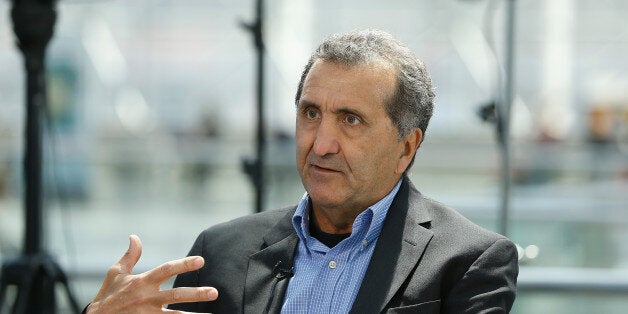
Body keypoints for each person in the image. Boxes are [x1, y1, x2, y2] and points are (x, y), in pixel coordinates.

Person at [86, 29, 518, 313]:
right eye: (311, 113)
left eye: (351, 120)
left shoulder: (468, 261)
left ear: (406, 147)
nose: (321, 143)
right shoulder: (220, 251)